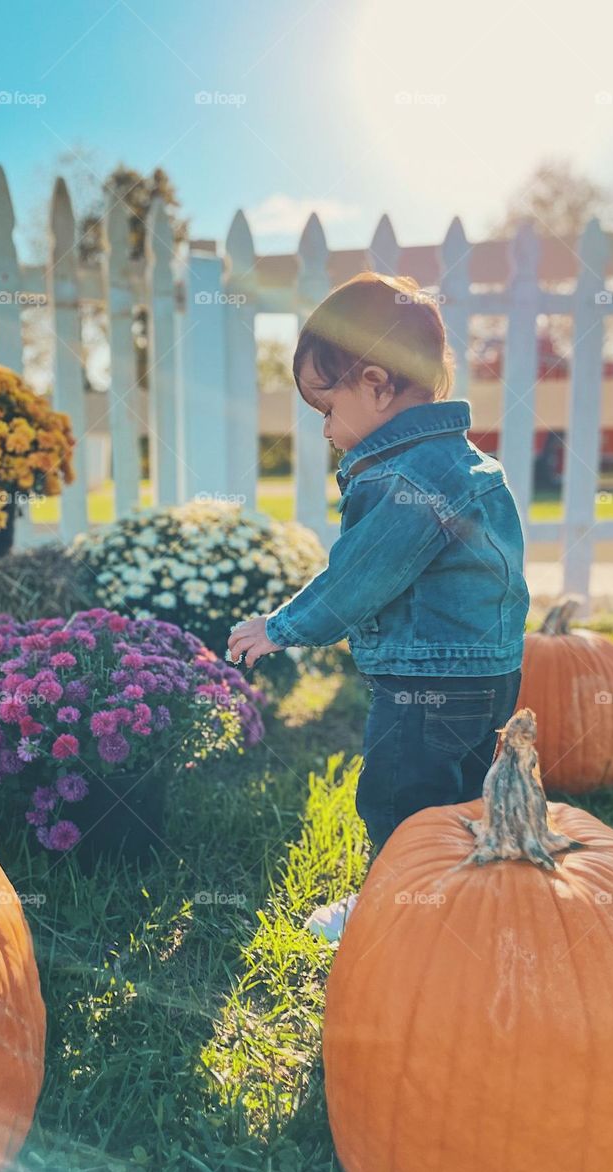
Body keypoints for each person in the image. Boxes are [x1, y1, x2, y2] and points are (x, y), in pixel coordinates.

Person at [227, 271, 529, 894]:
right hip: (489, 677)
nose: (326, 429)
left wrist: (281, 627)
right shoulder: (468, 462)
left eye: (328, 408)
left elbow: (363, 574)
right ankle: (467, 899)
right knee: (466, 801)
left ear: (376, 384)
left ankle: (396, 906)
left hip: (427, 682)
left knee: (399, 799)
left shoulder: (410, 477)